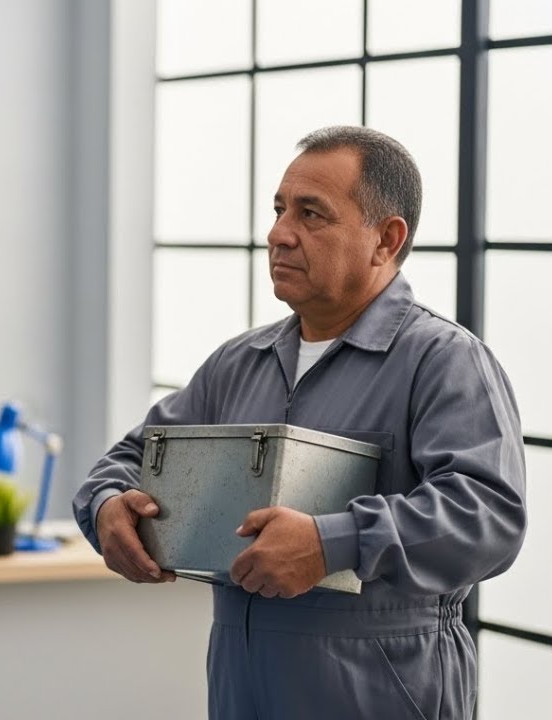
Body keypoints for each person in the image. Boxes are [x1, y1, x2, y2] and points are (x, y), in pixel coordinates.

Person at [73, 126, 525, 719]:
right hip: (241, 691)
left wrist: (331, 543)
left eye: (311, 214)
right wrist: (107, 506)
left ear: (386, 240)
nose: (279, 234)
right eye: (279, 210)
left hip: (381, 695)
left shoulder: (444, 361)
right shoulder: (239, 363)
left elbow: (488, 517)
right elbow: (132, 458)